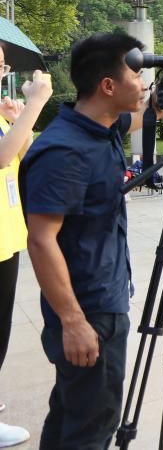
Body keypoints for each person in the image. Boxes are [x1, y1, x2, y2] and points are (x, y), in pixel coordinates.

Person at [20, 34, 163, 449]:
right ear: (108, 86)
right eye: (136, 74)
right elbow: (40, 241)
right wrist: (73, 322)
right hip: (88, 310)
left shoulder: (99, 127)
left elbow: (149, 111)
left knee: (71, 413)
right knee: (92, 427)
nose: (142, 83)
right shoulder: (65, 151)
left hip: (100, 298)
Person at [0, 45, 53, 448]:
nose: (3, 70)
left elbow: (24, 155)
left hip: (7, 236)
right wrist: (35, 104)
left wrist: (19, 121)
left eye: (2, 63)